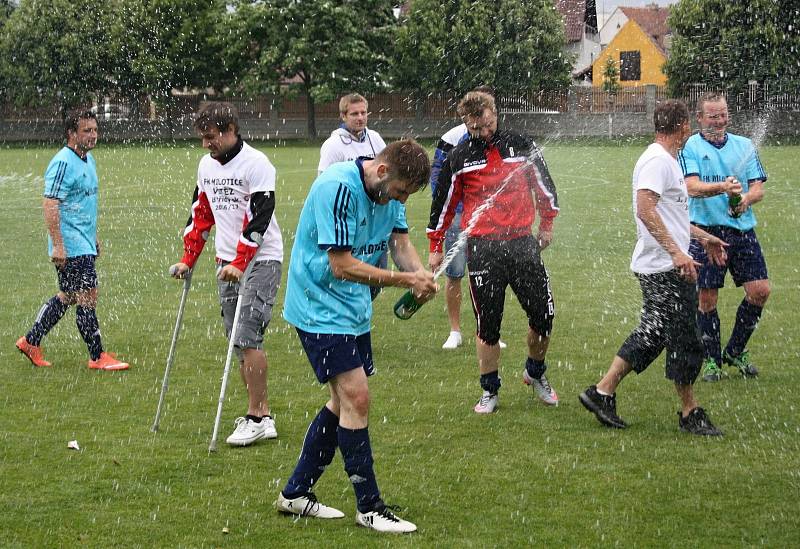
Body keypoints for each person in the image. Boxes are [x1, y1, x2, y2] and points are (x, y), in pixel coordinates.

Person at [277, 139, 437, 534]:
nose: (398, 200)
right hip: (317, 306)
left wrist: (419, 274)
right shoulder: (338, 187)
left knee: (342, 400)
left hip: (352, 308)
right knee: (357, 398)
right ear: (382, 172)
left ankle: (295, 492)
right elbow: (342, 265)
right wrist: (404, 279)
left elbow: (399, 244)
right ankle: (370, 507)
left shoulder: (392, 193)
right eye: (399, 192)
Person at [579, 99, 726, 436]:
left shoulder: (668, 161)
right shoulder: (657, 161)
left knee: (656, 332)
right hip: (663, 267)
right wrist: (677, 253)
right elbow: (646, 209)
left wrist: (702, 238)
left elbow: (670, 215)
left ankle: (602, 391)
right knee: (684, 337)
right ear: (684, 126)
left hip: (663, 263)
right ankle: (690, 412)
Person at [427, 91, 560, 414]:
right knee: (488, 326)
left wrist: (547, 223)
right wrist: (435, 246)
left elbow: (544, 186)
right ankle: (490, 390)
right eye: (476, 128)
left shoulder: (520, 144)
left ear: (495, 114)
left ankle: (535, 372)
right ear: (466, 124)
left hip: (522, 244)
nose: (484, 133)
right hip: (483, 249)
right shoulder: (458, 158)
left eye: (487, 125)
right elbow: (441, 206)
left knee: (544, 316)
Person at [170, 102, 283, 447]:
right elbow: (200, 214)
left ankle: (256, 417)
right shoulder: (205, 165)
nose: (206, 144)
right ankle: (261, 413)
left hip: (261, 260)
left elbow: (260, 217)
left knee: (248, 334)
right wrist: (189, 259)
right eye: (202, 137)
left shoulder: (257, 163)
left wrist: (241, 260)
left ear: (231, 129)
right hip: (226, 263)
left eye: (211, 137)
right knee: (238, 341)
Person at [16, 109, 129, 371]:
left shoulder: (88, 160)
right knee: (88, 295)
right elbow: (50, 202)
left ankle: (31, 341)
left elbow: (83, 203)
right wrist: (58, 243)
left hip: (82, 241)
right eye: (86, 130)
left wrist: (93, 237)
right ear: (71, 133)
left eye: (95, 130)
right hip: (70, 244)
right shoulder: (63, 161)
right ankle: (97, 356)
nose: (93, 135)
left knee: (68, 296)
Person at [678, 91, 769, 382]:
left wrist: (744, 201)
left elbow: (758, 188)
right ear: (700, 118)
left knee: (760, 291)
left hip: (742, 230)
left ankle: (735, 350)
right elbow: (691, 187)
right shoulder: (690, 145)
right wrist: (722, 188)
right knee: (707, 299)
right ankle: (712, 361)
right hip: (706, 232)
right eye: (713, 116)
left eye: (723, 114)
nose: (719, 120)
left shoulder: (744, 145)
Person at [430, 86, 506, 350]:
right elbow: (438, 181)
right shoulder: (452, 138)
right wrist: (452, 214)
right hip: (458, 215)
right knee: (455, 273)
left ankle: (488, 329)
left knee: (489, 273)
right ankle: (455, 331)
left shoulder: (498, 136)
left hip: (490, 216)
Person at [319, 93, 388, 300]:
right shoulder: (333, 145)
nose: (360, 118)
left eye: (363, 113)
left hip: (375, 218)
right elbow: (323, 184)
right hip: (348, 219)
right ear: (343, 116)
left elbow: (387, 173)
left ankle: (361, 311)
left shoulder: (375, 138)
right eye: (354, 114)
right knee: (350, 274)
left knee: (377, 275)